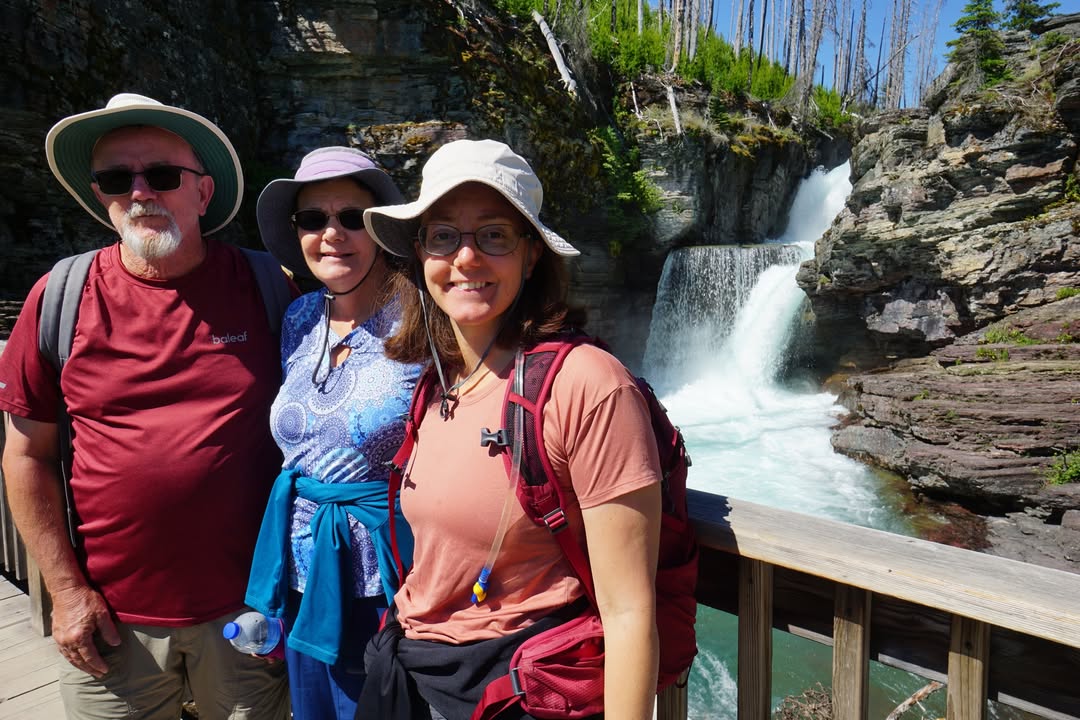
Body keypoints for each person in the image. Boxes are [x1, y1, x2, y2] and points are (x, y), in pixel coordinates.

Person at [0, 93, 291, 720]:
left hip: (250, 614)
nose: (139, 193)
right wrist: (66, 592)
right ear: (100, 195)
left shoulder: (269, 286)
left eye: (161, 175)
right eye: (116, 179)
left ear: (204, 192)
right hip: (112, 623)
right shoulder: (59, 297)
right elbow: (25, 455)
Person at [357, 139, 663, 720]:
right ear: (420, 253)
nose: (466, 257)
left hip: (514, 691)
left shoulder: (589, 385)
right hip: (416, 672)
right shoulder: (442, 377)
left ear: (531, 255)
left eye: (494, 235)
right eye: (443, 235)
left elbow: (629, 613)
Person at [244, 147, 423, 720]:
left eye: (351, 217)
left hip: (387, 581)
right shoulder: (300, 319)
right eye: (313, 218)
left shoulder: (426, 321)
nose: (331, 234)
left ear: (382, 228)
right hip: (303, 573)